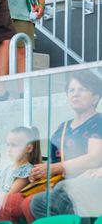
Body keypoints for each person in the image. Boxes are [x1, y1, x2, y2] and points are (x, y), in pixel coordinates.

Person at [22, 73, 102, 222]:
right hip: (62, 182)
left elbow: (94, 159)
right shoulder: (62, 127)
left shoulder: (98, 121)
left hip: (90, 181)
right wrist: (39, 172)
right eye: (71, 90)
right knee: (35, 203)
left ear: (96, 97)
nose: (75, 94)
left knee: (63, 189)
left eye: (82, 89)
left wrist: (54, 168)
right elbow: (52, 161)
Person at [0, 126, 41, 223]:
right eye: (8, 144)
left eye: (14, 145)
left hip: (6, 210)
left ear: (29, 148)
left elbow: (10, 195)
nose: (9, 149)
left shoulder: (27, 170)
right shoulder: (6, 169)